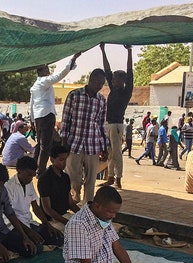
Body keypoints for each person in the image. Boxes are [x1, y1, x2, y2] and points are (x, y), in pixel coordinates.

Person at [60, 69, 108, 204]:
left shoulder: (101, 100)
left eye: (102, 83)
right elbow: (66, 119)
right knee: (73, 176)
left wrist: (104, 146)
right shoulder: (74, 95)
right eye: (98, 82)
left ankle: (88, 205)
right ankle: (75, 197)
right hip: (74, 142)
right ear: (90, 79)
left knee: (91, 179)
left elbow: (101, 124)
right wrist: (64, 140)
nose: (99, 85)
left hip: (93, 144)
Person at [31, 52, 81, 176]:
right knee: (45, 145)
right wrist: (72, 59)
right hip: (47, 114)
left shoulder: (35, 86)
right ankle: (40, 170)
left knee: (41, 143)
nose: (48, 70)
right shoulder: (44, 81)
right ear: (41, 71)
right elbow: (59, 76)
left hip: (38, 116)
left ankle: (33, 166)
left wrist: (32, 120)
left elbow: (31, 104)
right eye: (46, 68)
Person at [0, 164, 41, 257]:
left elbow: (10, 213)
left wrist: (24, 236)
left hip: (3, 232)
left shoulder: (2, 190)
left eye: (1, 186)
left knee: (33, 248)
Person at [6, 156, 65, 246]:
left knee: (59, 239)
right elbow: (11, 216)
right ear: (19, 170)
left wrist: (48, 225)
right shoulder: (9, 187)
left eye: (33, 176)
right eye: (28, 175)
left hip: (29, 222)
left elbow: (36, 207)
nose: (30, 179)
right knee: (33, 247)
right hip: (15, 226)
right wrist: (29, 232)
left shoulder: (28, 183)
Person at [100, 44, 133, 189]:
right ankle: (111, 177)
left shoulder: (126, 91)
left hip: (117, 125)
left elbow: (130, 71)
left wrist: (129, 52)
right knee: (110, 152)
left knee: (117, 153)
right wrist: (103, 50)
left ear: (122, 80)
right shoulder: (114, 88)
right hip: (109, 124)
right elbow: (107, 70)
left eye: (115, 78)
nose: (112, 80)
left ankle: (118, 178)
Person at [38, 144, 82, 225]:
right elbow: (47, 209)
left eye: (65, 159)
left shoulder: (65, 177)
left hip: (65, 216)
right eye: (61, 160)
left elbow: (71, 203)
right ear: (52, 159)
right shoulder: (44, 179)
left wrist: (84, 216)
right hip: (52, 220)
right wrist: (67, 222)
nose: (64, 163)